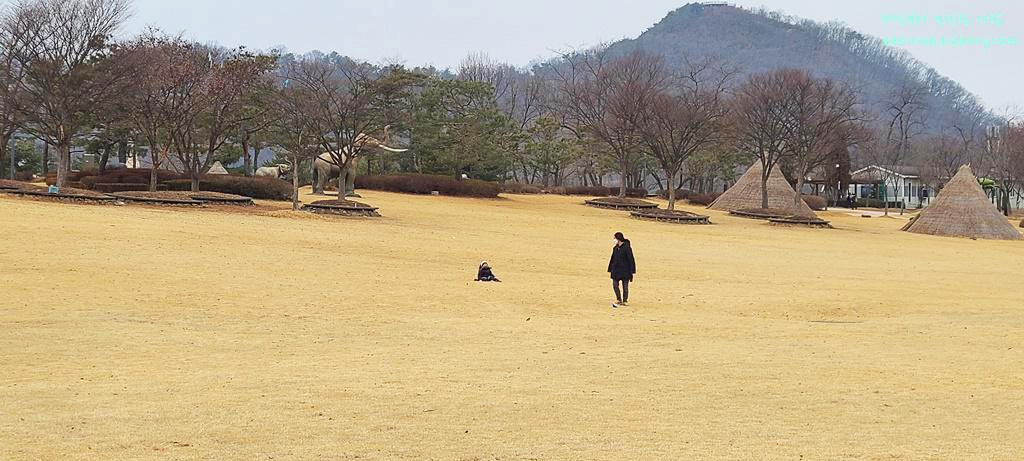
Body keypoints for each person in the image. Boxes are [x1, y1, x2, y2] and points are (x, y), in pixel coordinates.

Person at [607, 232, 636, 308]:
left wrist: (632, 270)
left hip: (625, 271)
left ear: (618, 239)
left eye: (615, 238)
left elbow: (631, 259)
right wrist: (610, 268)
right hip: (616, 270)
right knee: (615, 285)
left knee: (625, 286)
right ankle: (619, 299)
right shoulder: (615, 248)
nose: (614, 240)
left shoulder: (627, 248)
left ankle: (625, 300)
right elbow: (612, 258)